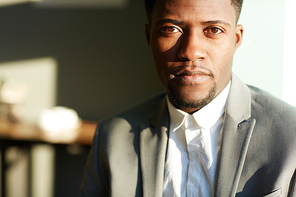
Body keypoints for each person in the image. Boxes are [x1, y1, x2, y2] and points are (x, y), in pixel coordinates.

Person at [79, 0, 296, 196]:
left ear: (236, 40)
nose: (191, 51)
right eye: (170, 29)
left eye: (214, 30)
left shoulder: (291, 137)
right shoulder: (112, 137)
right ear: (149, 37)